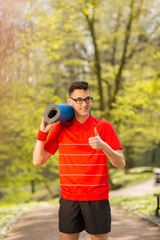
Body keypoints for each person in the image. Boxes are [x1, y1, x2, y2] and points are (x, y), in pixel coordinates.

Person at [33, 81, 125, 240]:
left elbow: (121, 164)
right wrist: (43, 132)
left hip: (97, 199)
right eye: (79, 100)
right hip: (69, 199)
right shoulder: (61, 128)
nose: (84, 104)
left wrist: (103, 146)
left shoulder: (104, 127)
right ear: (69, 102)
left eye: (88, 99)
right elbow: (38, 161)